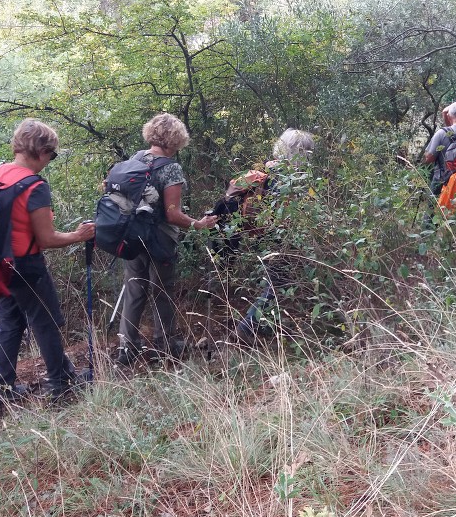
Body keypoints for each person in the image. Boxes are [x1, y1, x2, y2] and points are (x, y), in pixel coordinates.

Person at [0, 119, 96, 407]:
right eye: (52, 154)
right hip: (23, 266)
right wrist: (78, 235)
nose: (50, 160)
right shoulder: (34, 185)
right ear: (41, 151)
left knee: (10, 321)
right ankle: (61, 382)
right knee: (44, 321)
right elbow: (46, 238)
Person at [115, 113, 219, 367]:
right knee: (162, 290)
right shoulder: (170, 167)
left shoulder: (136, 159)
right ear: (176, 138)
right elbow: (172, 214)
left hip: (132, 235)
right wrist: (199, 224)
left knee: (135, 289)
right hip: (159, 239)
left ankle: (126, 348)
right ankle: (166, 344)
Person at [231, 128, 315, 344]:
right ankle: (248, 326)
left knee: (273, 280)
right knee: (278, 283)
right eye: (306, 151)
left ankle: (264, 324)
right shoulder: (288, 177)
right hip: (278, 236)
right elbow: (288, 211)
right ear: (299, 151)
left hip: (260, 234)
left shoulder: (267, 170)